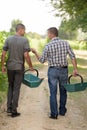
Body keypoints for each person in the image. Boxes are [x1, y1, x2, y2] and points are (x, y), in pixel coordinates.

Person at [32, 27, 78, 119]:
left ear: (51, 34)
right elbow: (72, 56)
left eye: (48, 33)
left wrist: (35, 52)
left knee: (53, 92)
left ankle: (54, 114)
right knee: (63, 91)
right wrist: (75, 69)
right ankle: (62, 111)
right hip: (64, 70)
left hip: (52, 71)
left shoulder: (48, 46)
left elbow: (42, 60)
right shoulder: (65, 43)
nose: (47, 35)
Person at [1, 23, 34, 117]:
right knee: (16, 88)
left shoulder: (8, 39)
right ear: (21, 30)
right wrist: (30, 66)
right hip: (19, 68)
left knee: (10, 86)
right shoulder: (24, 40)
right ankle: (14, 110)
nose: (25, 32)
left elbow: (3, 54)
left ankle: (8, 108)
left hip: (10, 67)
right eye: (24, 30)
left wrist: (3, 65)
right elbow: (26, 55)